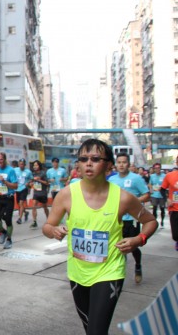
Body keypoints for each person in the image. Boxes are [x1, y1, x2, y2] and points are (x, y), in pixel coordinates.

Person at [42, 139, 157, 334]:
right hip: (78, 273)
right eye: (83, 159)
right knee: (90, 328)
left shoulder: (123, 198)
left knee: (96, 331)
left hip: (110, 271)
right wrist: (53, 231)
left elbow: (150, 221)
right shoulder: (66, 195)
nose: (88, 163)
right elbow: (47, 226)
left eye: (95, 159)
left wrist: (139, 239)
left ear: (109, 165)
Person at [107, 153, 150, 283]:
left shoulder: (136, 178)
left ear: (129, 164)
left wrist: (133, 203)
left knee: (133, 247)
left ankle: (138, 266)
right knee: (118, 246)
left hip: (132, 220)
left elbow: (146, 195)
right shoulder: (112, 180)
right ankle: (119, 273)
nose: (121, 165)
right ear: (116, 164)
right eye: (119, 162)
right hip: (117, 219)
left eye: (124, 162)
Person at [0, 152, 18, 249]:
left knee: (7, 220)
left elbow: (15, 186)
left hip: (8, 198)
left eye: (1, 159)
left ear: (5, 160)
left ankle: (9, 240)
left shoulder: (10, 170)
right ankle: (3, 231)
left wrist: (5, 182)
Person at [160, 155, 178, 251]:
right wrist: (167, 199)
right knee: (175, 235)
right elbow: (162, 189)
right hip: (174, 208)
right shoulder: (170, 176)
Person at [29, 160, 49, 229]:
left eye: (36, 165)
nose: (35, 166)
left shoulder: (43, 173)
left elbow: (47, 183)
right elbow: (30, 182)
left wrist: (39, 180)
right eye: (34, 165)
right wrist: (30, 184)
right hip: (36, 192)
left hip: (43, 193)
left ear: (39, 166)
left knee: (45, 207)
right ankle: (34, 222)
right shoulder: (33, 174)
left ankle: (49, 220)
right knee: (33, 206)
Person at [14, 158, 33, 224]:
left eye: (22, 164)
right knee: (19, 204)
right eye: (20, 164)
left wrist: (29, 183)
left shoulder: (28, 172)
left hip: (24, 188)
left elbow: (31, 179)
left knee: (21, 203)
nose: (21, 165)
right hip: (17, 188)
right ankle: (25, 212)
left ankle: (20, 218)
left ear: (25, 165)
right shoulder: (15, 170)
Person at [149, 163, 166, 228]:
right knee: (154, 208)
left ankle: (162, 221)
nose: (157, 169)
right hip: (154, 195)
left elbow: (166, 184)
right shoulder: (152, 176)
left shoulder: (164, 176)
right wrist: (151, 189)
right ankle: (155, 222)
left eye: (158, 168)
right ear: (154, 169)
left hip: (162, 195)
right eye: (156, 168)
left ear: (160, 168)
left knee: (162, 209)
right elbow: (150, 184)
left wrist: (162, 187)